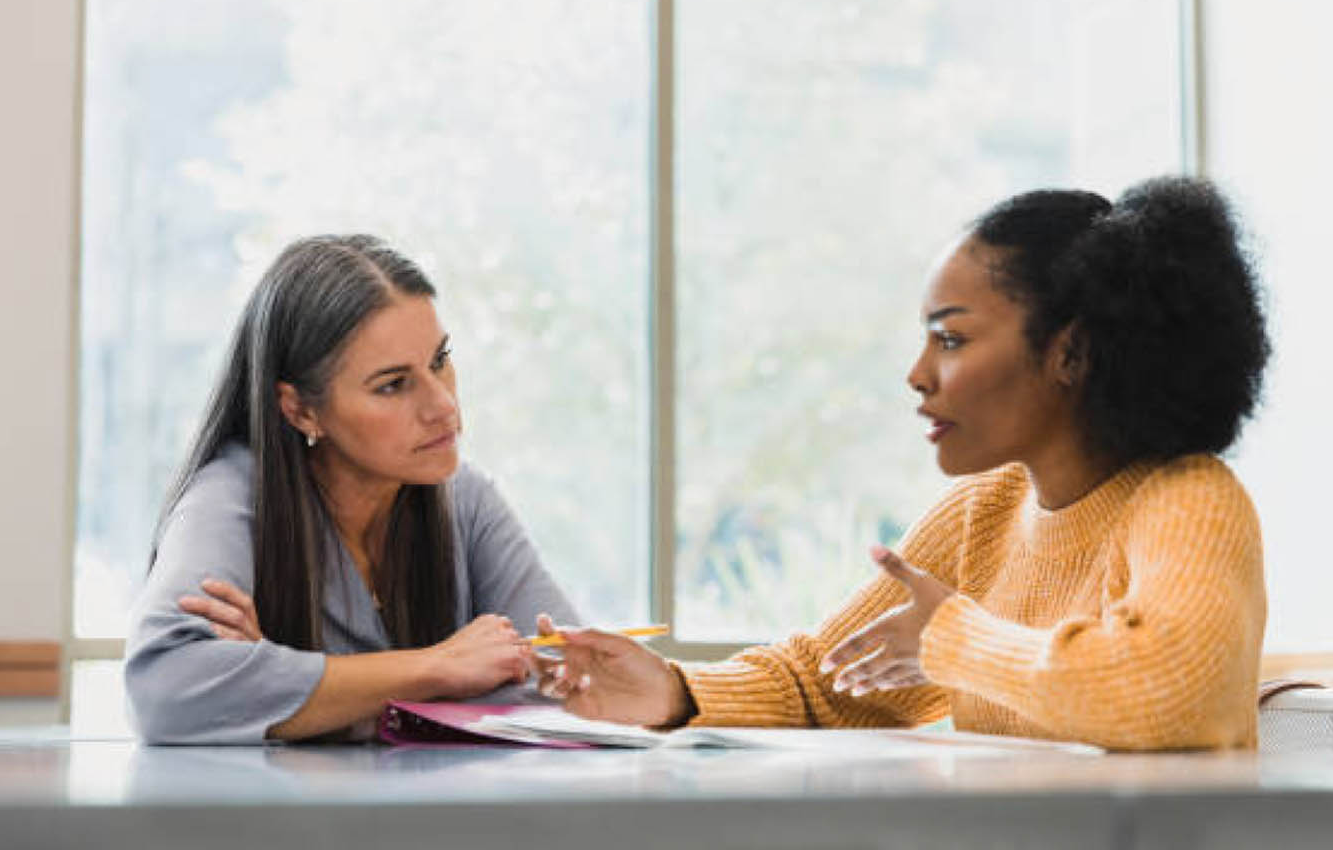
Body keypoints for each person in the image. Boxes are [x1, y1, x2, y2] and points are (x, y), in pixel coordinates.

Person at [543, 176, 1270, 750]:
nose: (917, 374)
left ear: (1071, 352)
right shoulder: (982, 513)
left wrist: (950, 639)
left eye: (950, 340)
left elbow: (1170, 692)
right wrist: (675, 691)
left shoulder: (1189, 499)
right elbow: (826, 684)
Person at [125, 235, 577, 743]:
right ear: (299, 409)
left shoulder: (464, 498)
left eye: (439, 361)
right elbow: (165, 690)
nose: (443, 405)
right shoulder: (229, 498)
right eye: (392, 385)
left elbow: (570, 684)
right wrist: (437, 668)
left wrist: (284, 687)